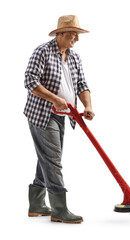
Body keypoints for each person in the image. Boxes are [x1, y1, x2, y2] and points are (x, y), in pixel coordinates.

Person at [24, 15, 95, 223]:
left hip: (63, 115)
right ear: (60, 33)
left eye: (78, 34)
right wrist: (54, 99)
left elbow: (82, 84)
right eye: (74, 34)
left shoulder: (74, 57)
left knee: (47, 157)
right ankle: (59, 209)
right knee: (53, 159)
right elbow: (29, 80)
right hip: (42, 113)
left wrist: (88, 106)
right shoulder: (42, 51)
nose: (77, 39)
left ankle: (36, 204)